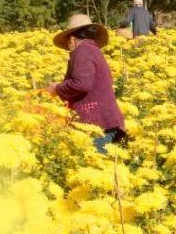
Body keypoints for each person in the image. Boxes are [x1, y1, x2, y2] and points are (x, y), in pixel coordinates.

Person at [46, 14, 126, 154]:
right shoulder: (91, 49)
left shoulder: (82, 51)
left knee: (95, 163)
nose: (67, 47)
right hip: (107, 122)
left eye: (67, 43)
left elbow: (82, 84)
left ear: (72, 38)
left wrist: (57, 88)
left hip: (99, 124)